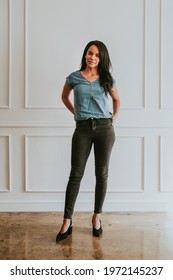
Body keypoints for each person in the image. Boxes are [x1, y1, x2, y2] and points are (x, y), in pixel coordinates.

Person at [56, 40, 120, 242]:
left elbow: (117, 100)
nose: (93, 57)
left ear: (102, 59)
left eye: (97, 55)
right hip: (82, 129)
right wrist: (77, 113)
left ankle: (96, 217)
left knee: (102, 174)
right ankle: (67, 220)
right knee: (75, 174)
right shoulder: (74, 77)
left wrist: (112, 121)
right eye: (90, 53)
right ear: (85, 54)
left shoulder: (107, 78)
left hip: (104, 129)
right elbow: (64, 97)